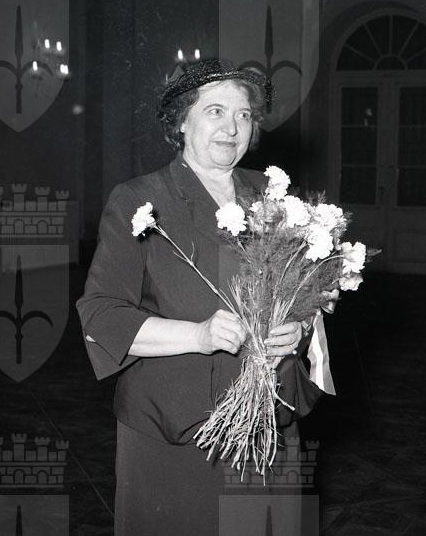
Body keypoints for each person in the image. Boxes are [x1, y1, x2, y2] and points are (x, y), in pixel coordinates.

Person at [77, 58, 321, 535]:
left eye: (244, 114)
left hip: (270, 419)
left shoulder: (274, 197)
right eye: (215, 111)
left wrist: (299, 329)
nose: (232, 127)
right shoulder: (141, 200)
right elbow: (101, 315)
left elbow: (307, 294)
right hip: (179, 428)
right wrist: (199, 335)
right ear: (181, 122)